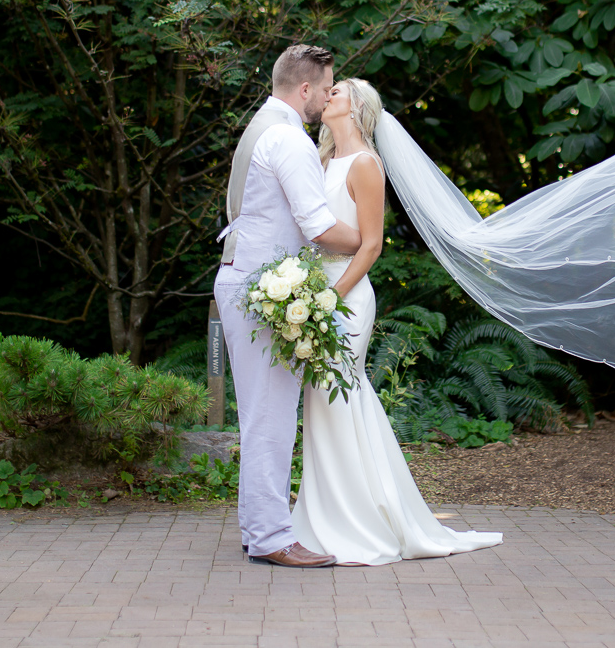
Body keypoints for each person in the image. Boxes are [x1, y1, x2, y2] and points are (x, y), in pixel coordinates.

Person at [291, 78, 503, 565]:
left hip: (345, 298)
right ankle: (325, 517)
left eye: (337, 91)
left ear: (357, 107)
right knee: (321, 403)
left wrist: (330, 297)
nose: (327, 96)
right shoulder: (320, 159)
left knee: (339, 393)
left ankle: (364, 520)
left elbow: (371, 245)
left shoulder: (366, 164)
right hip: (315, 292)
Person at [213, 45, 363, 569]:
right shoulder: (288, 139)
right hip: (259, 289)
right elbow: (318, 227)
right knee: (271, 416)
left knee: (264, 413)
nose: (327, 98)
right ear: (305, 90)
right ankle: (272, 537)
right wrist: (368, 241)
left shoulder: (262, 126)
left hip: (245, 280)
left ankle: (261, 530)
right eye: (324, 89)